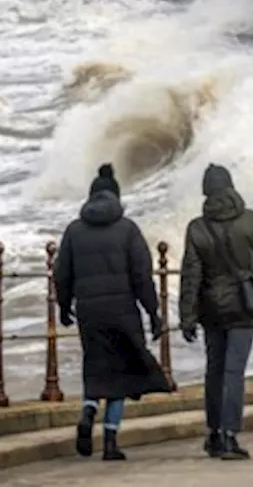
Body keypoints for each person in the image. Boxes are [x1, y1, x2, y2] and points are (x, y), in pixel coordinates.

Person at [54, 163, 171, 461]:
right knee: (120, 374)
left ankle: (87, 412)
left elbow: (62, 274)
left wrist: (65, 306)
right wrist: (153, 312)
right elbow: (141, 276)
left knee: (96, 367)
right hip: (122, 311)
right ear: (117, 198)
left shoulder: (74, 231)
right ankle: (110, 442)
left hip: (90, 312)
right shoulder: (128, 229)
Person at [178, 163, 253, 461]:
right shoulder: (250, 221)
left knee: (215, 371)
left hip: (211, 308)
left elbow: (191, 277)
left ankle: (213, 433)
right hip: (244, 304)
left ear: (206, 191)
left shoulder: (197, 227)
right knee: (234, 372)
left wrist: (187, 316)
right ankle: (229, 435)